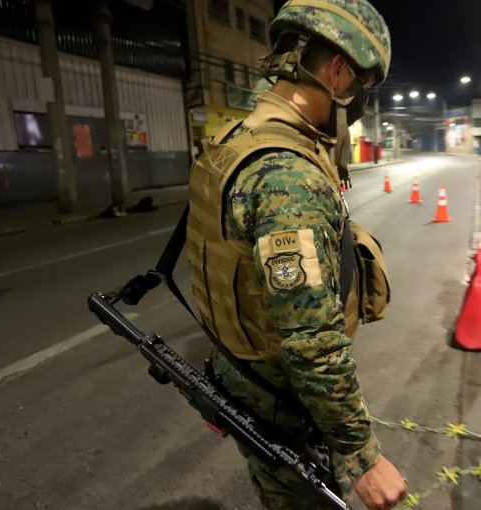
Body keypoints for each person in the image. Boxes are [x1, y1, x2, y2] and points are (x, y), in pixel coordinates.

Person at [184, 0, 406, 508]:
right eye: (364, 87)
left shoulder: (232, 142)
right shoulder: (290, 176)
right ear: (338, 71)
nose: (360, 101)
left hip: (241, 374)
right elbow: (312, 341)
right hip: (282, 399)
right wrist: (362, 456)